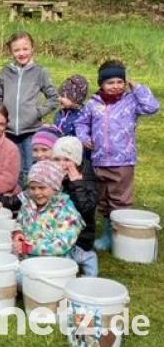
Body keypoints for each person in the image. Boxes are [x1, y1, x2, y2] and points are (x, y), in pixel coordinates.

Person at [75, 59, 159, 251]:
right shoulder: (92, 104)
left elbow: (152, 107)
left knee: (119, 200)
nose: (115, 86)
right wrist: (83, 137)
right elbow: (81, 123)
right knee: (103, 199)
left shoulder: (131, 102)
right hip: (99, 159)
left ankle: (120, 235)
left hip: (123, 161)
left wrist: (137, 88)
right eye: (110, 83)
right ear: (101, 84)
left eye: (119, 82)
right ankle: (107, 234)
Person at [0, 31, 59, 182]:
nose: (21, 53)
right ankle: (13, 202)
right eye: (17, 50)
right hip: (9, 131)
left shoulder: (40, 72)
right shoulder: (5, 72)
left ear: (32, 49)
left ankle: (31, 201)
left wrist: (37, 113)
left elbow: (54, 98)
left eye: (25, 49)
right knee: (12, 170)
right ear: (11, 51)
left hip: (31, 131)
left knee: (30, 170)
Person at [13, 161, 84, 258]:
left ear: (55, 187)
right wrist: (18, 233)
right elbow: (19, 221)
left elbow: (63, 244)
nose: (37, 192)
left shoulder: (66, 212)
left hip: (54, 265)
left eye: (42, 188)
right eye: (32, 188)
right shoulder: (27, 203)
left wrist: (29, 248)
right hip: (27, 262)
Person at [53, 136, 98, 276]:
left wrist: (76, 185)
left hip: (80, 236)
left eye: (67, 159)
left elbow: (86, 210)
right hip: (57, 230)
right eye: (57, 159)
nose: (61, 164)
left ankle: (87, 257)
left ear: (77, 161)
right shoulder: (54, 174)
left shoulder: (87, 179)